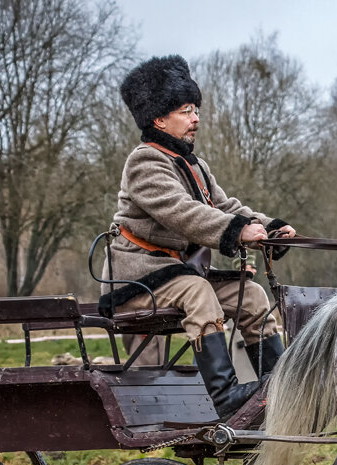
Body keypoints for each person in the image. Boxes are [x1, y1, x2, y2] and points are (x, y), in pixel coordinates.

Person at [99, 55, 293, 417]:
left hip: (177, 275)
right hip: (138, 281)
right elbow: (183, 213)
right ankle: (225, 396)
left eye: (196, 110)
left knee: (250, 295)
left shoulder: (193, 164)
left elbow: (224, 205)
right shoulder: (144, 162)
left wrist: (269, 228)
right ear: (159, 118)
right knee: (197, 291)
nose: (196, 118)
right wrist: (237, 233)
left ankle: (280, 384)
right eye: (187, 110)